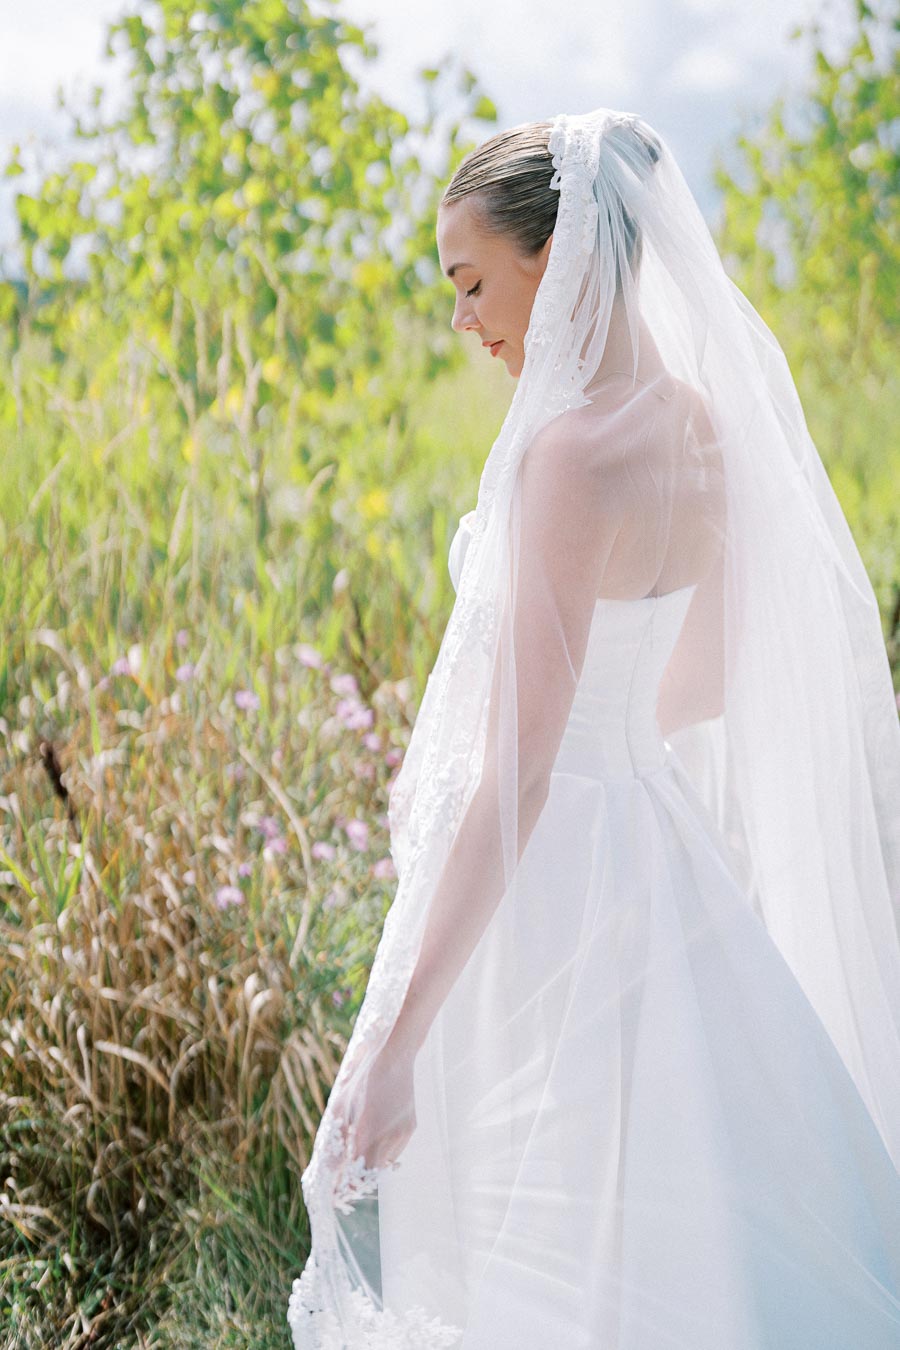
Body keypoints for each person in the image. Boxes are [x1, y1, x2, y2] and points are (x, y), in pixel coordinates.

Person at [288, 109, 900, 1349]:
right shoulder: (702, 428)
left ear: (559, 252)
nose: (465, 323)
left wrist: (395, 1047)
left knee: (549, 1232)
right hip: (659, 846)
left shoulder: (565, 458)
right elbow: (713, 675)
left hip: (552, 876)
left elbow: (518, 769)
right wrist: (618, 747)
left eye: (472, 283)